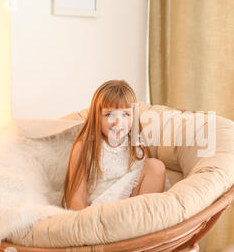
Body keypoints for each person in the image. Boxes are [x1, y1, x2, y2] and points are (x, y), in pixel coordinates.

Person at [61, 80, 170, 210]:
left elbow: (146, 182)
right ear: (97, 117)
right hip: (100, 210)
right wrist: (85, 223)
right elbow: (76, 197)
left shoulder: (136, 144)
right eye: (109, 114)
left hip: (131, 208)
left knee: (156, 166)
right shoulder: (85, 147)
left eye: (125, 114)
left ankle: (141, 222)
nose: (118, 122)